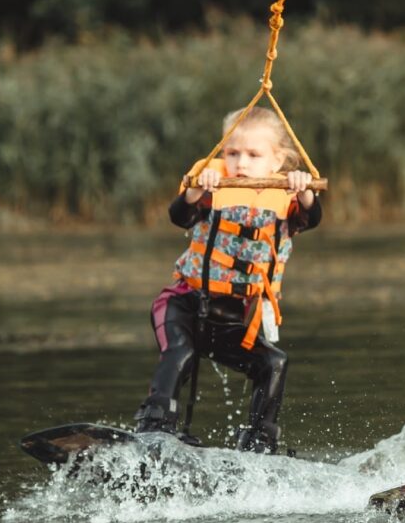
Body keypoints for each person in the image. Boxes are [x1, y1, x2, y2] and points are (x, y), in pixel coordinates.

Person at [134, 106, 322, 454]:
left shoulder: (288, 194)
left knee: (274, 363)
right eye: (232, 153)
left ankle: (259, 443)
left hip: (231, 322)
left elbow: (311, 217)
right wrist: (194, 192)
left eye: (253, 155)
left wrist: (305, 191)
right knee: (180, 354)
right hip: (183, 306)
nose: (241, 163)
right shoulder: (210, 186)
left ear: (278, 161)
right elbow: (180, 215)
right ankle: (154, 427)